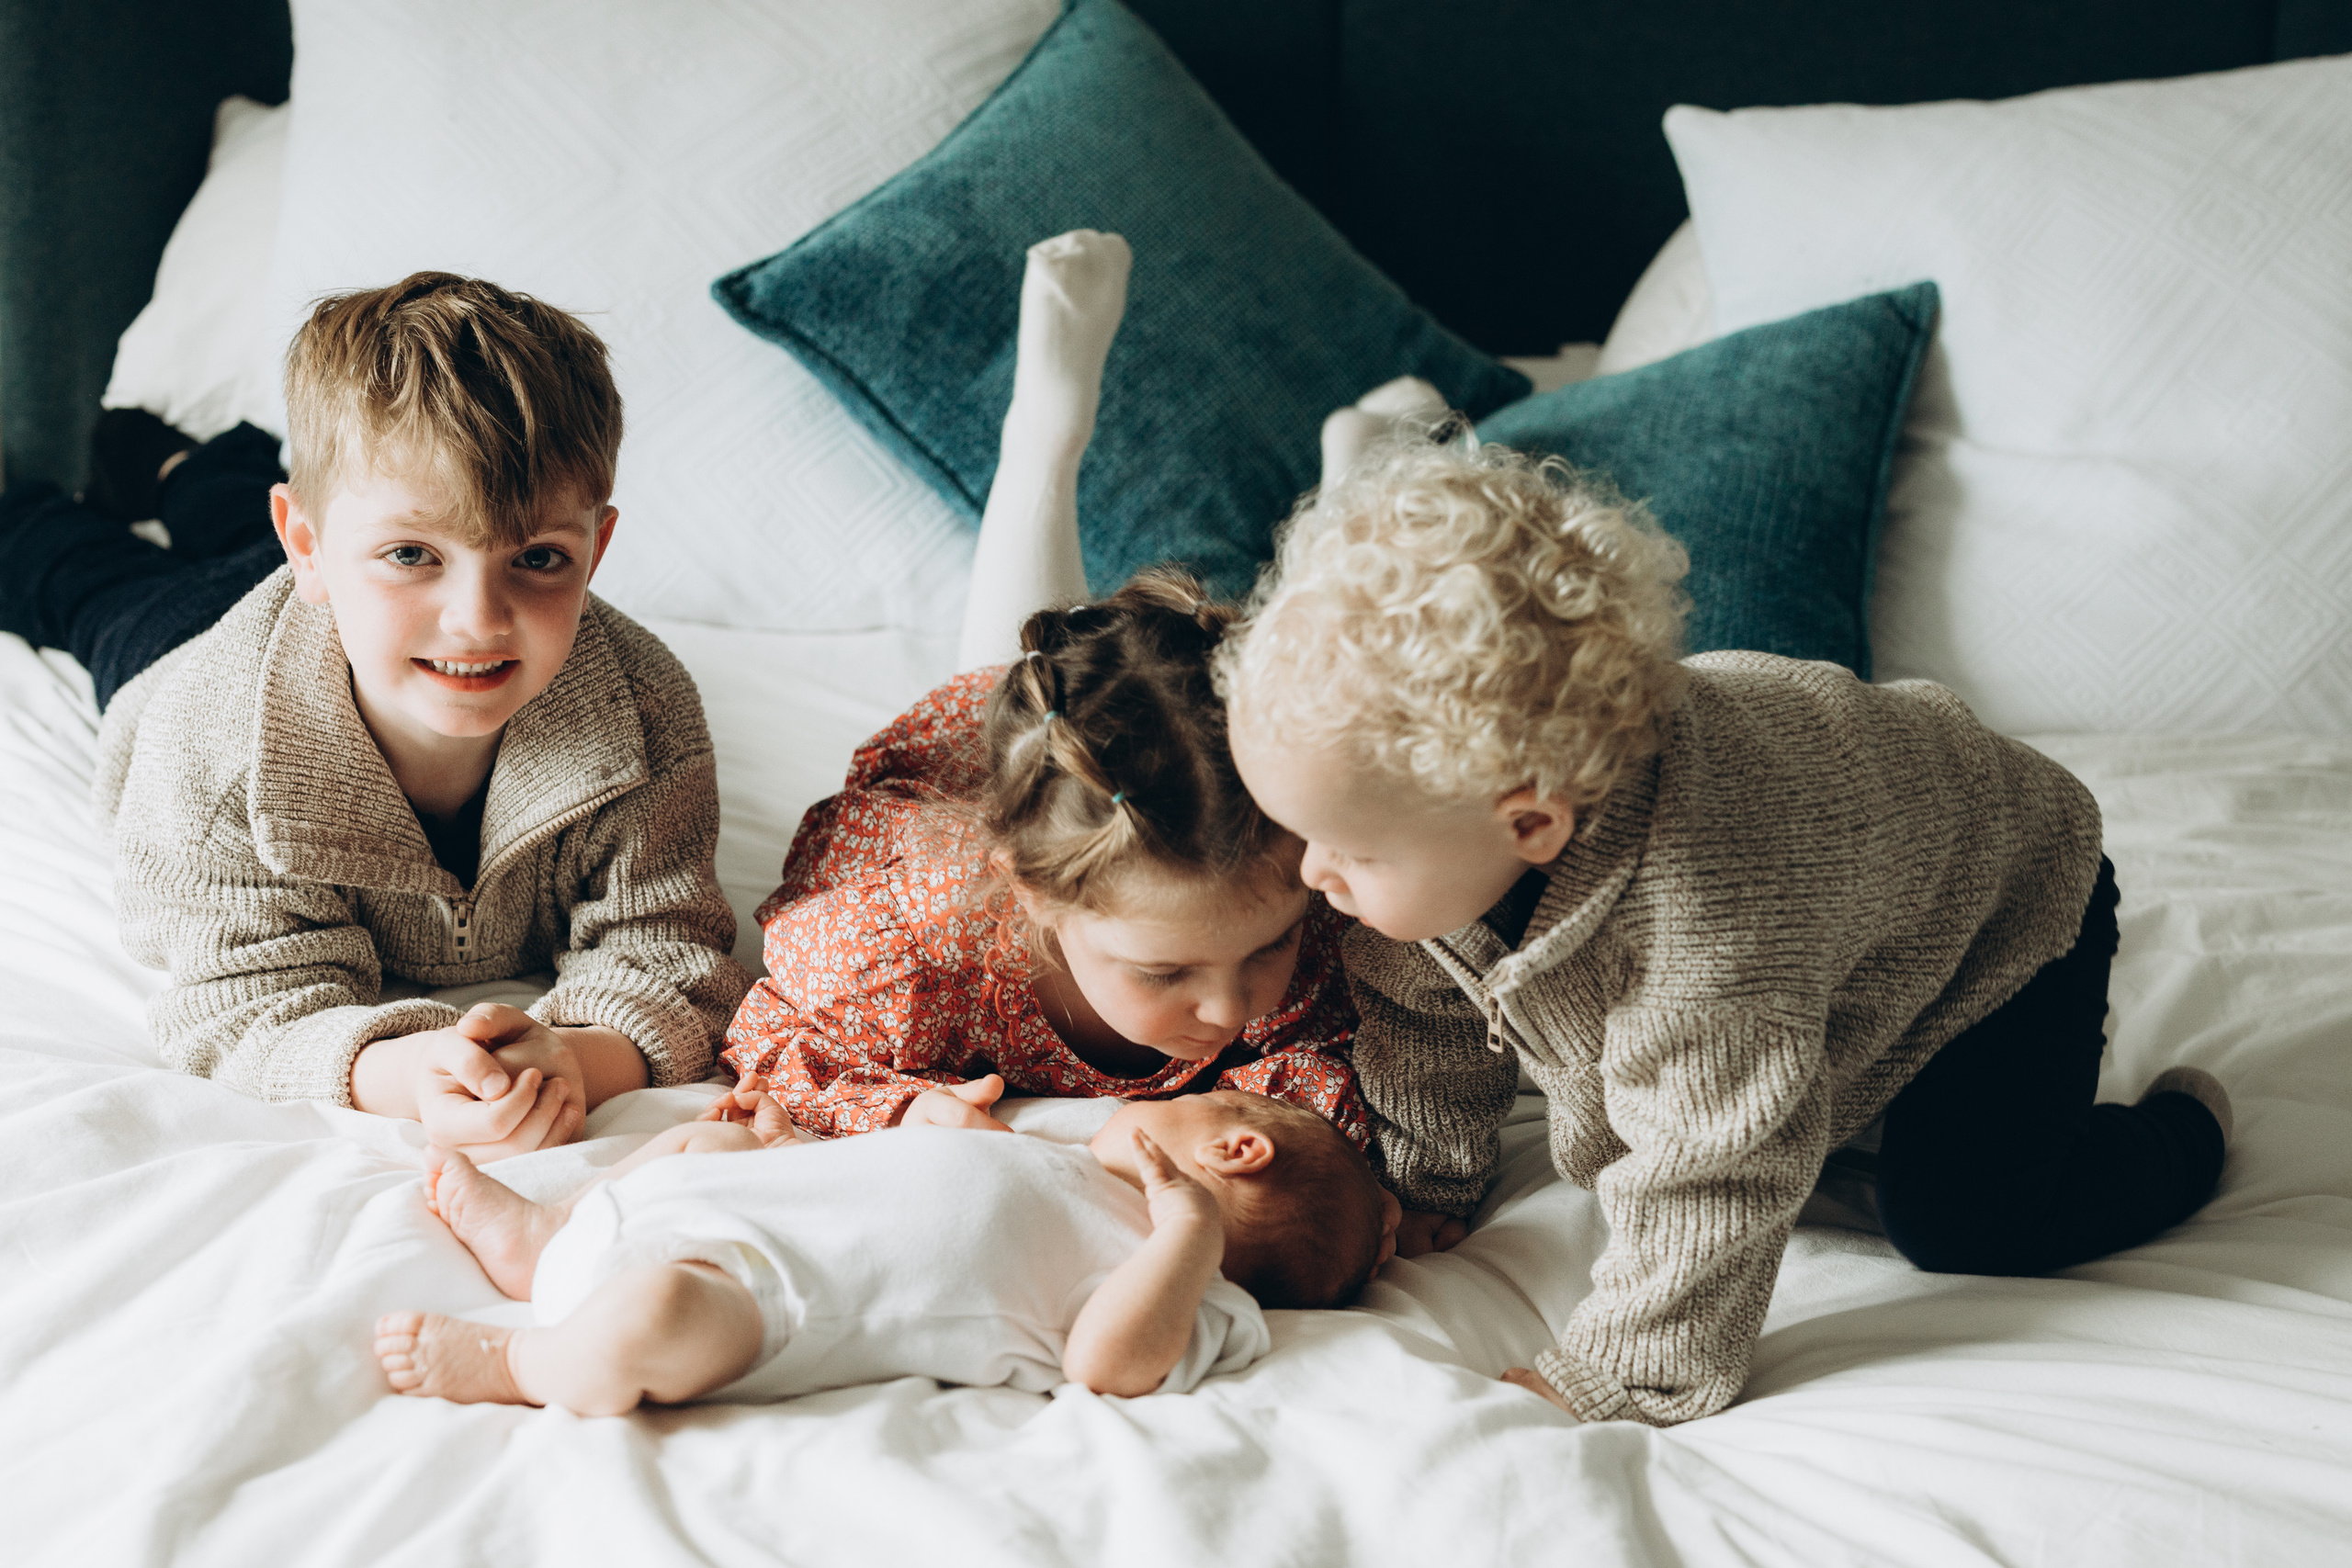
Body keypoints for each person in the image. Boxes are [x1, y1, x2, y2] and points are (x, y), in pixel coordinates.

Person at [1215, 434, 2233, 1428]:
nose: (1313, 875)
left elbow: (1715, 1162)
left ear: (1529, 823)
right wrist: (1429, 1174)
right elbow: (1420, 1002)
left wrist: (1619, 1374)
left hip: (2006, 901)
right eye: (1303, 835)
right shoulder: (1438, 828)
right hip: (1864, 884)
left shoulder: (1713, 926)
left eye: (1349, 850)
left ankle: (2181, 1136)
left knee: (1966, 1221)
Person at [6, 273, 750, 1159]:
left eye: (539, 558)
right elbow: (241, 1007)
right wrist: (407, 1072)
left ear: (596, 550)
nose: (479, 619)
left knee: (238, 523)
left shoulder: (646, 713)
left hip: (344, 605)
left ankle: (182, 466)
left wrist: (573, 1061)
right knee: (92, 586)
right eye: (412, 553)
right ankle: (91, 489)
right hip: (186, 636)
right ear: (308, 548)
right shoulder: (211, 749)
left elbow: (670, 951)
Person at [718, 233, 1367, 1147]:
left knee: (1325, 669)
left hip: (1139, 750)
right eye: (1164, 971)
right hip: (984, 784)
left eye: (1269, 947)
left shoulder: (1290, 886)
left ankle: (1360, 485)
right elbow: (778, 1041)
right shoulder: (915, 954)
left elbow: (1328, 1046)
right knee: (1006, 671)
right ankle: (1044, 435)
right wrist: (906, 1108)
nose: (1230, 1008)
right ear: (1032, 895)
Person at [373, 1086, 1399, 1411]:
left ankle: (518, 1360)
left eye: (1190, 1100)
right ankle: (546, 1237)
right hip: (746, 1209)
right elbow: (913, 1180)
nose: (1148, 1100)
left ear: (1235, 1149)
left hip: (762, 1303)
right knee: (708, 1143)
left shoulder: (1192, 1288)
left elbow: (1105, 1364)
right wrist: (928, 1127)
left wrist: (1187, 1236)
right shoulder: (1063, 1160)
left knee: (657, 1316)